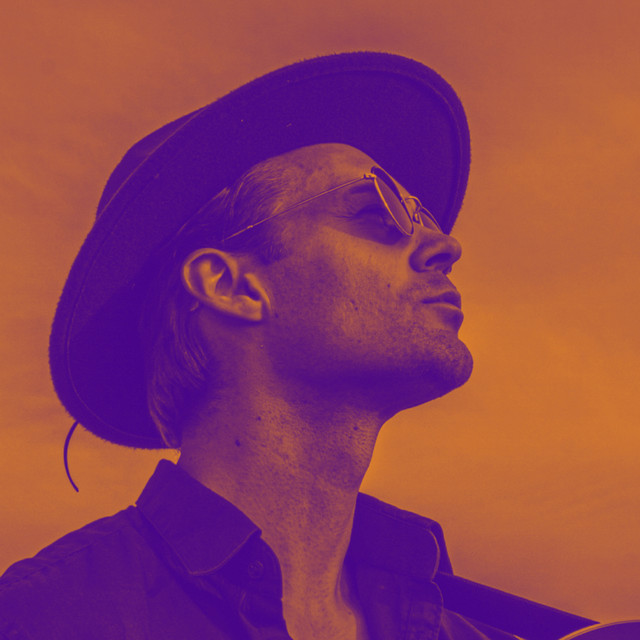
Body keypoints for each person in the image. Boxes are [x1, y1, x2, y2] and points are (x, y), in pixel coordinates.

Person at [0, 52, 597, 640]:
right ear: (232, 286)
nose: (445, 246)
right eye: (380, 210)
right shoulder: (48, 620)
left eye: (424, 217)